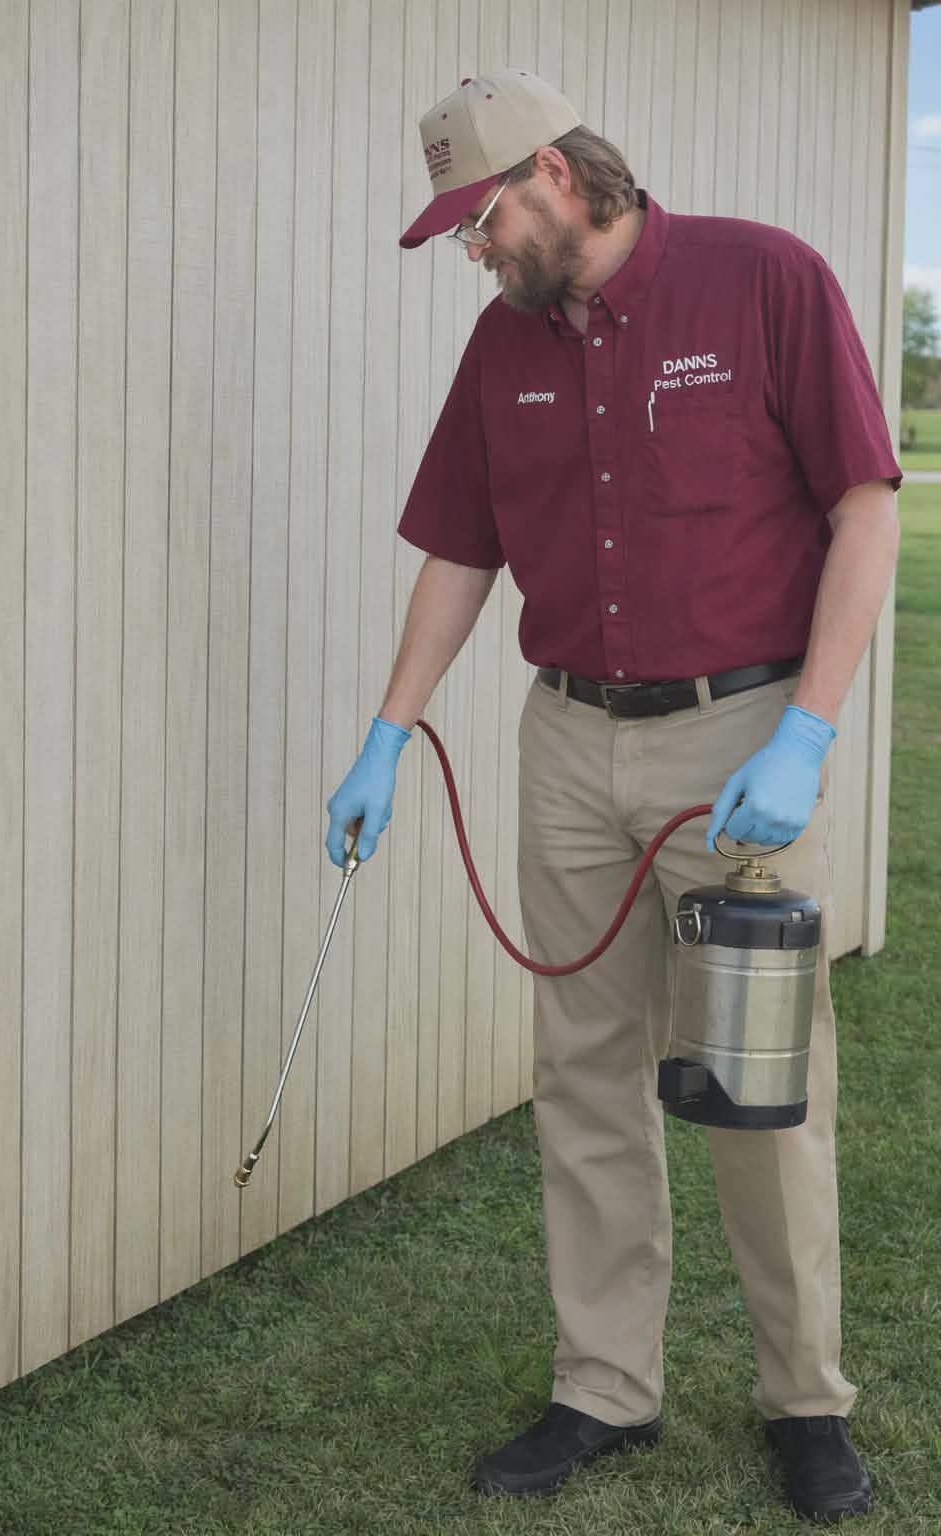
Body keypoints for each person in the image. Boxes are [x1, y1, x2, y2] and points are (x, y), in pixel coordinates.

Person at [325, 69, 901, 1524]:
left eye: (483, 218)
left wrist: (810, 734)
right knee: (583, 1074)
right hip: (569, 748)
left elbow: (865, 508)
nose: (473, 250)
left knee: (759, 1094)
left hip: (742, 747)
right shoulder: (501, 348)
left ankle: (805, 1400)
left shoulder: (764, 279)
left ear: (558, 176)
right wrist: (388, 736)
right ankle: (604, 1386)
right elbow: (460, 550)